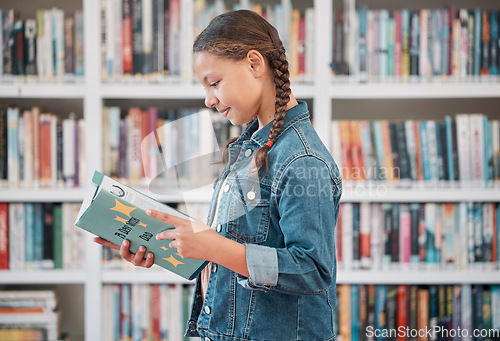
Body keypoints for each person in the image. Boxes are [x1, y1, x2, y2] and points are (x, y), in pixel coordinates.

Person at [95, 9, 342, 341]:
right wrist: (158, 243)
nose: (209, 100)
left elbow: (313, 270)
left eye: (215, 83)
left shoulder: (303, 159)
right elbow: (238, 251)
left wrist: (214, 248)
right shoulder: (249, 146)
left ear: (255, 64)